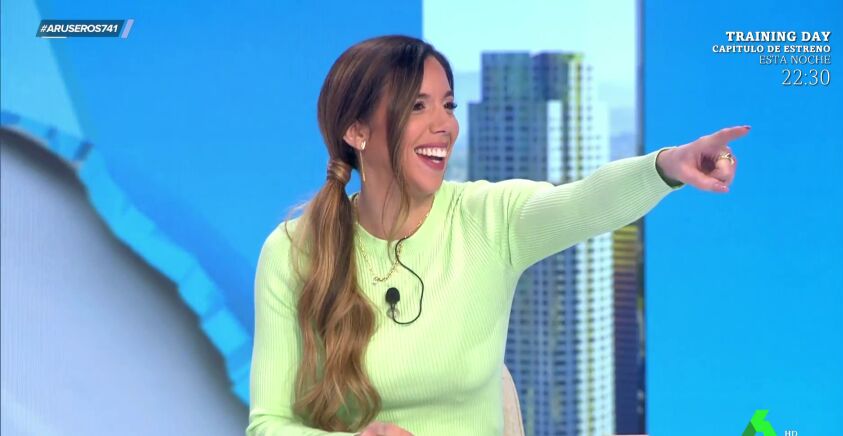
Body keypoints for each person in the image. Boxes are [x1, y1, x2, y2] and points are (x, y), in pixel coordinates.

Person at [246, 34, 748, 436]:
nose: (444, 126)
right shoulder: (292, 252)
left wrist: (668, 166)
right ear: (357, 131)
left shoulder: (488, 219)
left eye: (448, 105)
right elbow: (268, 424)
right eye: (418, 107)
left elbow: (586, 201)